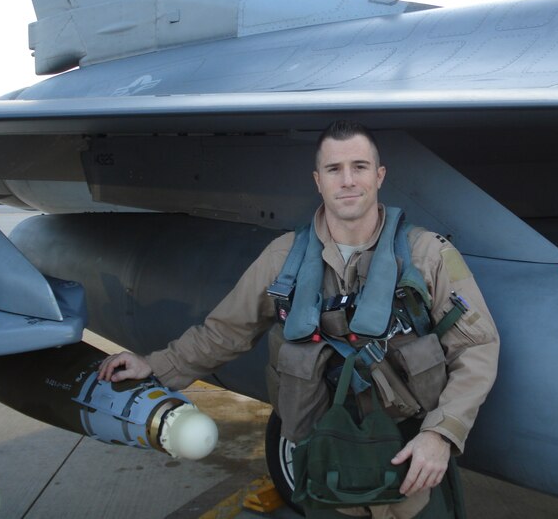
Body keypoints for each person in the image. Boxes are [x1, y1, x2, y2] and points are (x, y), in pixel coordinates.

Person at [99, 120, 499, 518]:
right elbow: (225, 332)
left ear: (379, 176)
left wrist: (441, 434)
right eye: (334, 169)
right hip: (325, 471)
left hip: (413, 466)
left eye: (359, 167)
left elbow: (477, 346)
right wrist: (155, 365)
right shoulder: (283, 259)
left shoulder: (426, 255)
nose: (347, 181)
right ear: (317, 181)